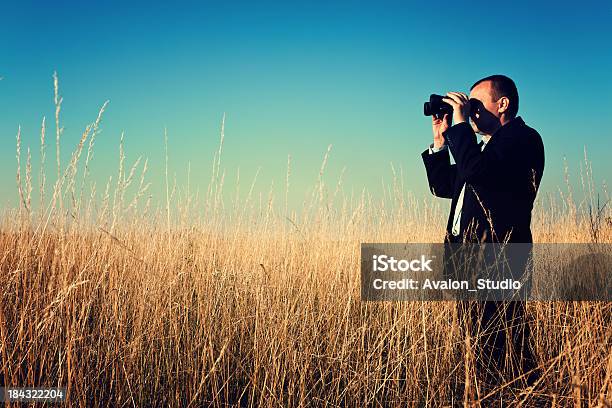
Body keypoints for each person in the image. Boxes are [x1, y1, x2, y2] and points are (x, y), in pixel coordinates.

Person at [421, 75, 545, 389]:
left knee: (504, 340)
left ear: (502, 104)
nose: (471, 112)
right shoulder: (481, 149)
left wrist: (461, 126)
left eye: (476, 105)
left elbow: (479, 173)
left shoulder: (523, 139)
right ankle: (502, 393)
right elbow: (444, 186)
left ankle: (523, 393)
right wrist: (441, 143)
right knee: (479, 340)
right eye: (468, 107)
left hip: (499, 256)